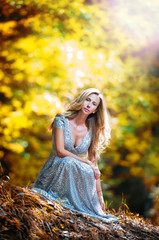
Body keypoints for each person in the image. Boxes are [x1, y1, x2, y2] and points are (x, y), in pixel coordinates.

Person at [33, 88, 118, 223]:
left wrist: (99, 196)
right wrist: (85, 162)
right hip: (56, 168)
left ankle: (81, 203)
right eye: (87, 100)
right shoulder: (61, 119)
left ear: (95, 110)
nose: (89, 105)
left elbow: (94, 167)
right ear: (81, 100)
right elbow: (60, 151)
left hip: (75, 175)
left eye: (94, 104)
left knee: (85, 168)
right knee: (68, 161)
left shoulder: (93, 130)